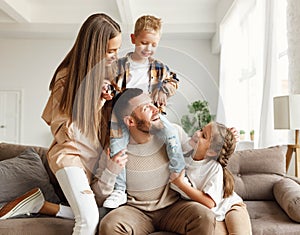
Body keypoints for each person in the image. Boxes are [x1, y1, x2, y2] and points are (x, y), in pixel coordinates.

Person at [0, 13, 122, 235]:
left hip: (92, 160)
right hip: (69, 156)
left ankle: (41, 205)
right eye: (110, 51)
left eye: (117, 50)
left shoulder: (109, 75)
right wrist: (96, 101)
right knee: (89, 219)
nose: (115, 56)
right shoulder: (66, 80)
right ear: (94, 50)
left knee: (100, 212)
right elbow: (67, 132)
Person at [92, 88, 215, 234]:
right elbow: (98, 197)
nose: (155, 109)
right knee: (110, 224)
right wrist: (111, 172)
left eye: (152, 103)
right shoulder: (114, 150)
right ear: (130, 121)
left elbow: (202, 151)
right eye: (146, 108)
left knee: (204, 216)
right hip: (135, 211)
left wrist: (227, 139)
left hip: (173, 207)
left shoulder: (173, 133)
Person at [102, 15, 186, 209]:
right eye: (144, 43)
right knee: (116, 148)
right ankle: (119, 190)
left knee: (172, 133)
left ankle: (179, 174)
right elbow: (109, 83)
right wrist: (107, 90)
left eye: (153, 45)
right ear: (133, 39)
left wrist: (164, 91)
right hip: (121, 115)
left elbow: (174, 81)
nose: (148, 48)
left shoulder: (159, 67)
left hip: (152, 115)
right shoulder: (119, 65)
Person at [171, 121, 252, 235]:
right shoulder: (184, 157)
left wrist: (180, 184)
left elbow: (209, 202)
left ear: (211, 151)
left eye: (203, 136)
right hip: (212, 214)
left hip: (231, 207)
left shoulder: (214, 168)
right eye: (201, 130)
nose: (197, 134)